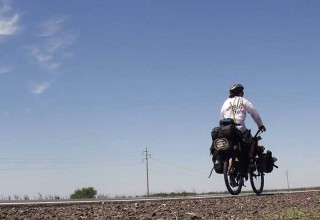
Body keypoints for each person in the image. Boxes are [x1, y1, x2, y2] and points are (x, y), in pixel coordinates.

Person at [220, 83, 266, 167]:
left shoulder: (225, 103)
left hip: (225, 130)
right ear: (239, 92)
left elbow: (222, 116)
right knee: (252, 140)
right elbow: (254, 113)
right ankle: (251, 160)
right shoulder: (243, 101)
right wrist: (260, 125)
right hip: (240, 129)